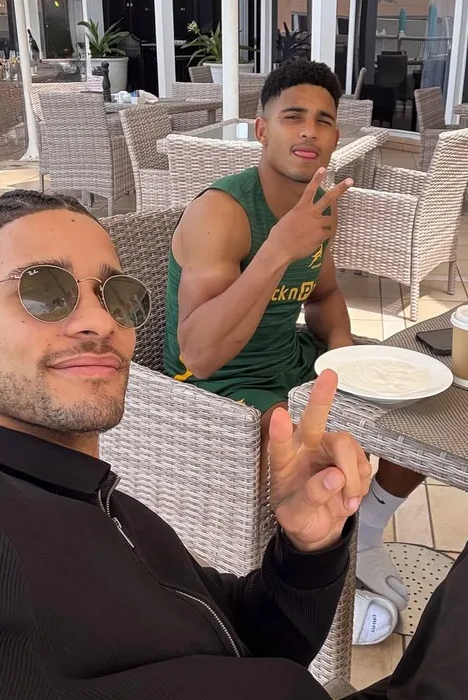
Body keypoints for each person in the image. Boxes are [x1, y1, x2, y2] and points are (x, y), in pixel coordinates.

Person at [0, 190, 468, 700]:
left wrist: (307, 548)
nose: (98, 320)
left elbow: (256, 638)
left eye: (117, 295)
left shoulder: (94, 500)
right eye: (44, 290)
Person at [164, 59, 424, 611]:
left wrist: (344, 362)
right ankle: (318, 580)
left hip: (288, 358)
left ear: (335, 137)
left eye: (323, 121)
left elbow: (324, 297)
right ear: (262, 130)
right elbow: (199, 354)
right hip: (218, 386)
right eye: (293, 117)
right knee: (321, 457)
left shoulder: (319, 209)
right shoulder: (223, 212)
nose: (309, 131)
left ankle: (365, 530)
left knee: (420, 409)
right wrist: (279, 247)